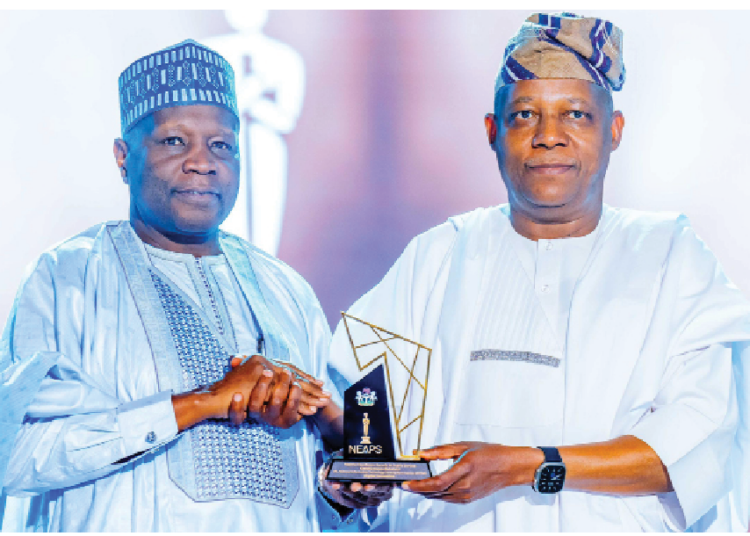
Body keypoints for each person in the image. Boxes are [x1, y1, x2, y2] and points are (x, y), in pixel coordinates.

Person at [323, 13, 750, 531]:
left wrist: (526, 466)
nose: (549, 136)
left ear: (614, 131)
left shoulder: (670, 256)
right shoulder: (438, 256)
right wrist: (352, 479)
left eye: (575, 115)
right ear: (492, 131)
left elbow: (693, 448)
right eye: (525, 115)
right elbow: (361, 414)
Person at [0, 39, 383, 531]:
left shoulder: (286, 291)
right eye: (174, 142)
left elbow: (332, 496)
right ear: (122, 157)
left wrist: (343, 476)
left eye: (222, 145)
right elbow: (16, 451)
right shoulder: (66, 279)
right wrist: (205, 401)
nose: (203, 162)